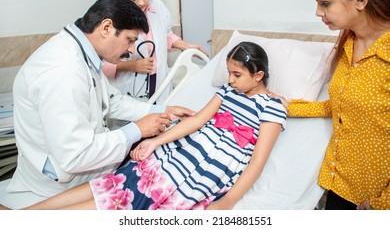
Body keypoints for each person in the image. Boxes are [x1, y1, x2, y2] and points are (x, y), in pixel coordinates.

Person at [9, 42, 287, 210]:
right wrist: (156, 141)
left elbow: (256, 163)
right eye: (229, 73)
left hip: (213, 165)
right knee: (120, 180)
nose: (232, 79)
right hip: (187, 149)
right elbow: (197, 121)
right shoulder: (227, 91)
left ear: (258, 75)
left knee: (138, 197)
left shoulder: (272, 107)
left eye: (237, 74)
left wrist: (229, 200)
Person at [2, 0, 195, 204]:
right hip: (58, 184)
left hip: (80, 169)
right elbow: (75, 155)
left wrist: (163, 110)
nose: (131, 50)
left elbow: (112, 101)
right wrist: (136, 130)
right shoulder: (64, 70)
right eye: (130, 40)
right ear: (106, 28)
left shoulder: (83, 53)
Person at [275, 0, 390, 210]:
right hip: (340, 186)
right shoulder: (349, 44)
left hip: (373, 200)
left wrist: (382, 205)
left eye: (325, 3)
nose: (317, 12)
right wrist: (288, 106)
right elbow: (342, 106)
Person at [102, 0, 209, 104]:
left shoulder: (157, 6)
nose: (141, 2)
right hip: (126, 93)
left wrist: (186, 46)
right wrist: (132, 65)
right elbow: (100, 65)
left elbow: (165, 35)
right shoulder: (109, 17)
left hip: (160, 86)